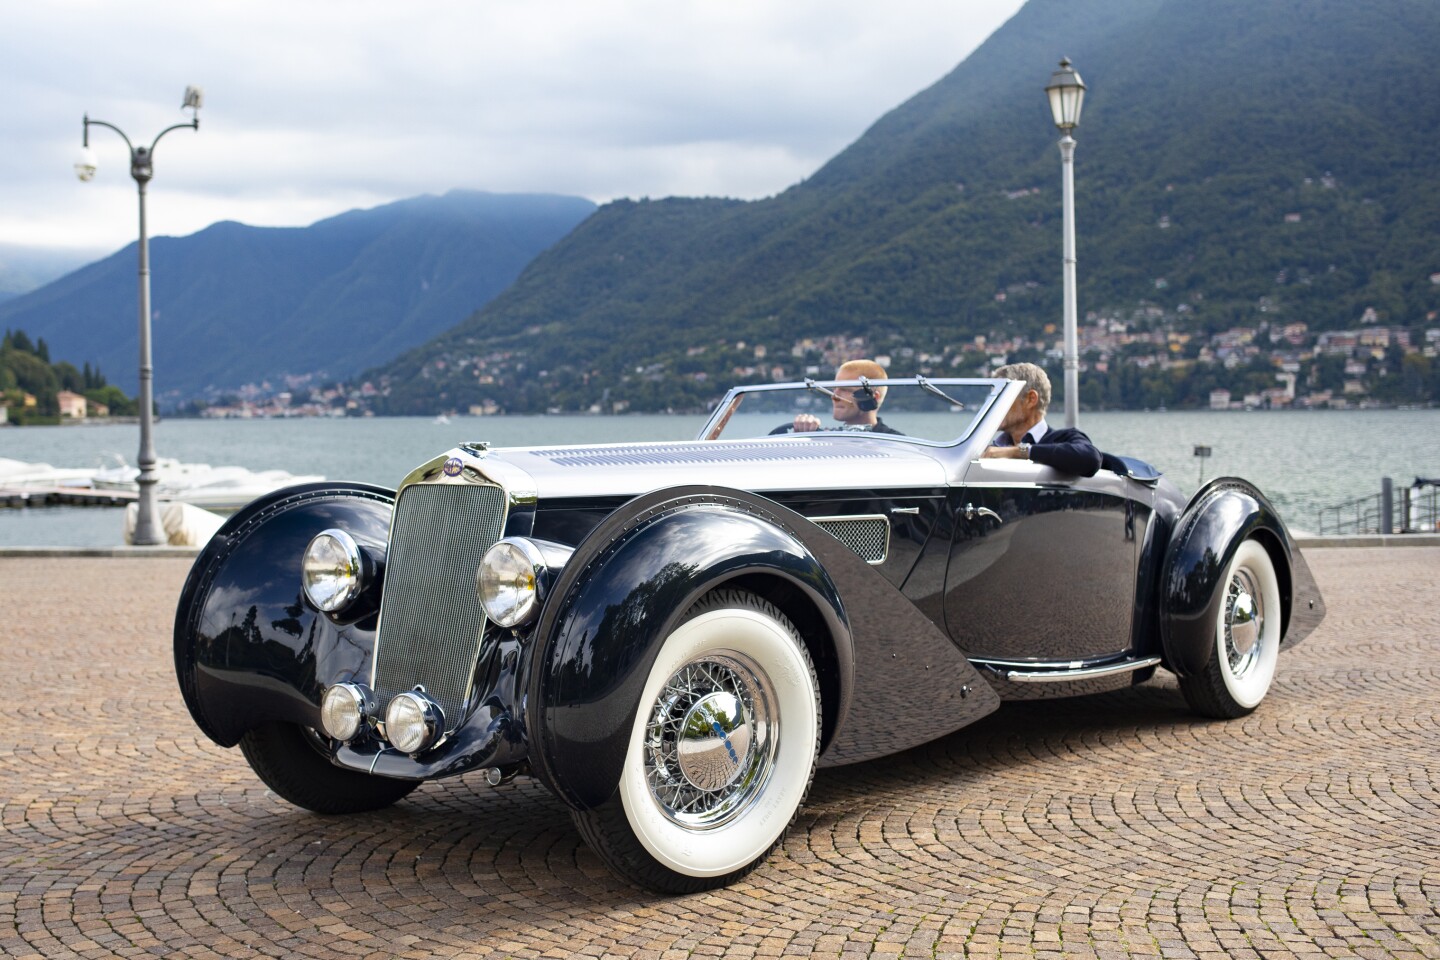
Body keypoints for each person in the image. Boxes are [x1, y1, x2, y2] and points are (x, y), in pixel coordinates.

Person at [980, 362, 1101, 476]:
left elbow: (1091, 458)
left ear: (1031, 399)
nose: (992, 405)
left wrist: (1017, 452)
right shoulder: (990, 450)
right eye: (992, 398)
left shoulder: (1063, 439)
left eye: (1001, 397)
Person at [778, 359, 903, 434]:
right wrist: (804, 432)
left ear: (872, 397)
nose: (834, 396)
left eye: (845, 390)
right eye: (834, 389)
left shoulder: (898, 444)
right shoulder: (828, 438)